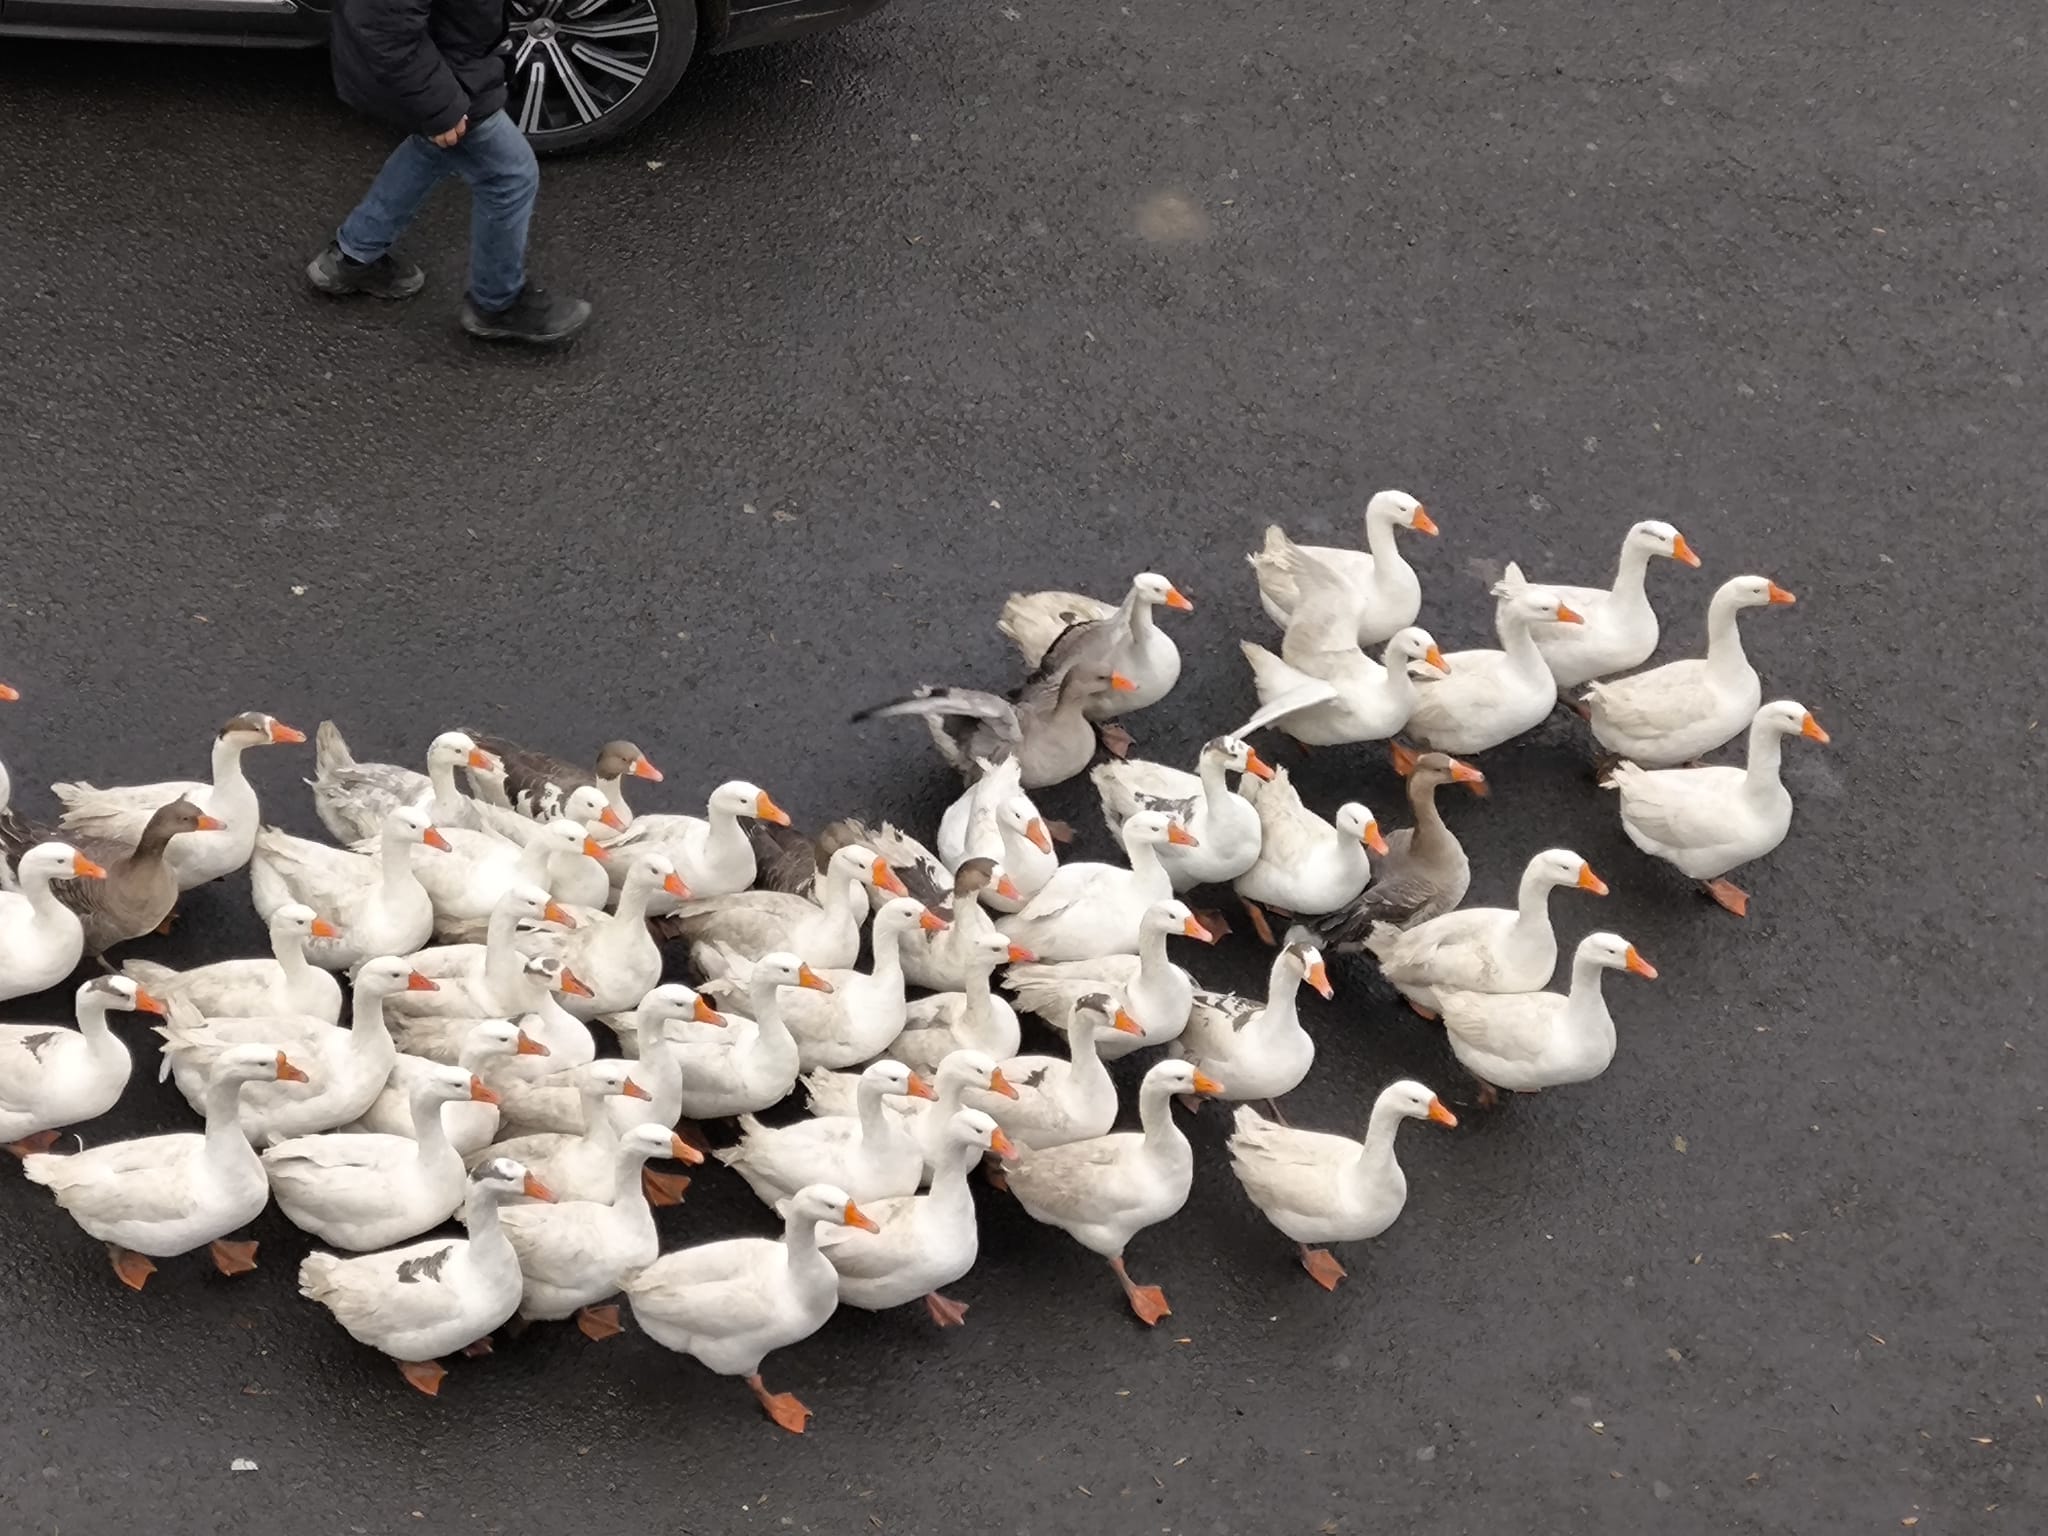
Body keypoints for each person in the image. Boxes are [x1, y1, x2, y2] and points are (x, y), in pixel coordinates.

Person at [306, 0, 592, 346]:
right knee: (510, 174)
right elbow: (385, 29)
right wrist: (441, 106)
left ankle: (354, 255)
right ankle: (497, 304)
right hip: (438, 74)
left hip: (447, 61)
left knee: (435, 148)